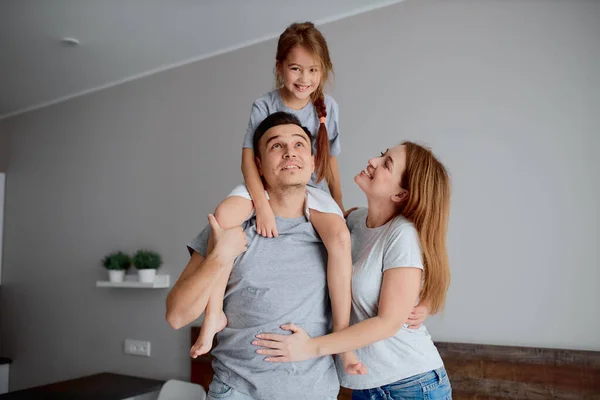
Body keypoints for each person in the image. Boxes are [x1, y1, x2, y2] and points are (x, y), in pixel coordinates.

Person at [191, 21, 361, 373]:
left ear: (323, 71)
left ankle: (343, 339)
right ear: (280, 67)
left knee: (341, 238)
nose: (304, 78)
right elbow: (247, 161)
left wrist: (339, 203)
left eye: (313, 70)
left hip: (307, 189)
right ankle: (213, 315)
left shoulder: (327, 106)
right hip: (263, 184)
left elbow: (329, 161)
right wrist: (262, 205)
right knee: (224, 218)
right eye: (296, 68)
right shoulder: (264, 104)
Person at [252, 142, 453, 399]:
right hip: (366, 385)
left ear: (401, 194)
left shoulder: (402, 235)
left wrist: (311, 348)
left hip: (411, 385)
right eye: (382, 154)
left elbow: (388, 324)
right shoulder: (354, 221)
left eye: (386, 164)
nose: (373, 160)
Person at [166, 112, 344, 399]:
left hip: (315, 392)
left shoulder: (335, 234)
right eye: (276, 146)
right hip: (236, 391)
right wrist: (219, 256)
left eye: (299, 145)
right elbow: (176, 316)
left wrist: (422, 303)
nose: (289, 153)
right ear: (258, 166)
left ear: (312, 161)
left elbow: (384, 273)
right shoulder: (229, 227)